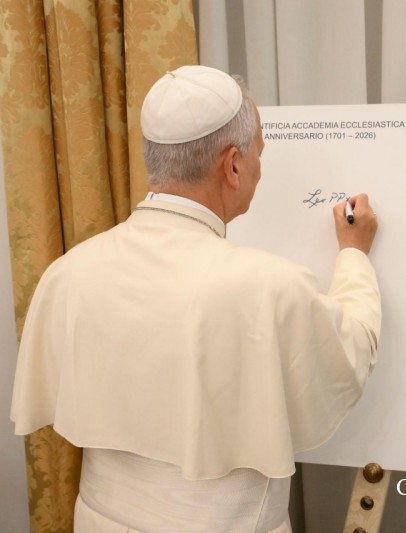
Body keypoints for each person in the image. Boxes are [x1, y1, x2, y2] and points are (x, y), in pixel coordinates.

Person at [10, 65, 381, 532]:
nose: (260, 167)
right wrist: (353, 256)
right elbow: (352, 351)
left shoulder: (67, 273)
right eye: (259, 152)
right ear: (232, 165)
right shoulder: (267, 286)